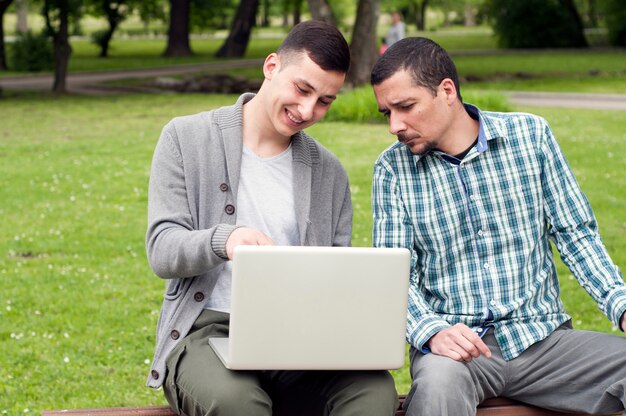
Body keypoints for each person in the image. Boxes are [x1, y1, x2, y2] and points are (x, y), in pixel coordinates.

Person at [144, 20, 398, 416]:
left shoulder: (329, 172)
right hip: (204, 333)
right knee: (237, 403)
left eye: (325, 101)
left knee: (374, 391)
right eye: (302, 89)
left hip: (296, 341)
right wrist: (224, 241)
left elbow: (334, 276)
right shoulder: (185, 138)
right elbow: (162, 249)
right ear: (271, 66)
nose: (308, 110)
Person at [370, 37, 626, 416]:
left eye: (405, 107)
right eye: (386, 113)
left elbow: (576, 236)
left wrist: (621, 305)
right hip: (457, 353)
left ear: (446, 91)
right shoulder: (392, 169)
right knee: (437, 388)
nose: (395, 125)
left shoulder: (531, 136)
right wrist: (431, 332)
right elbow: (393, 275)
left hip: (545, 341)